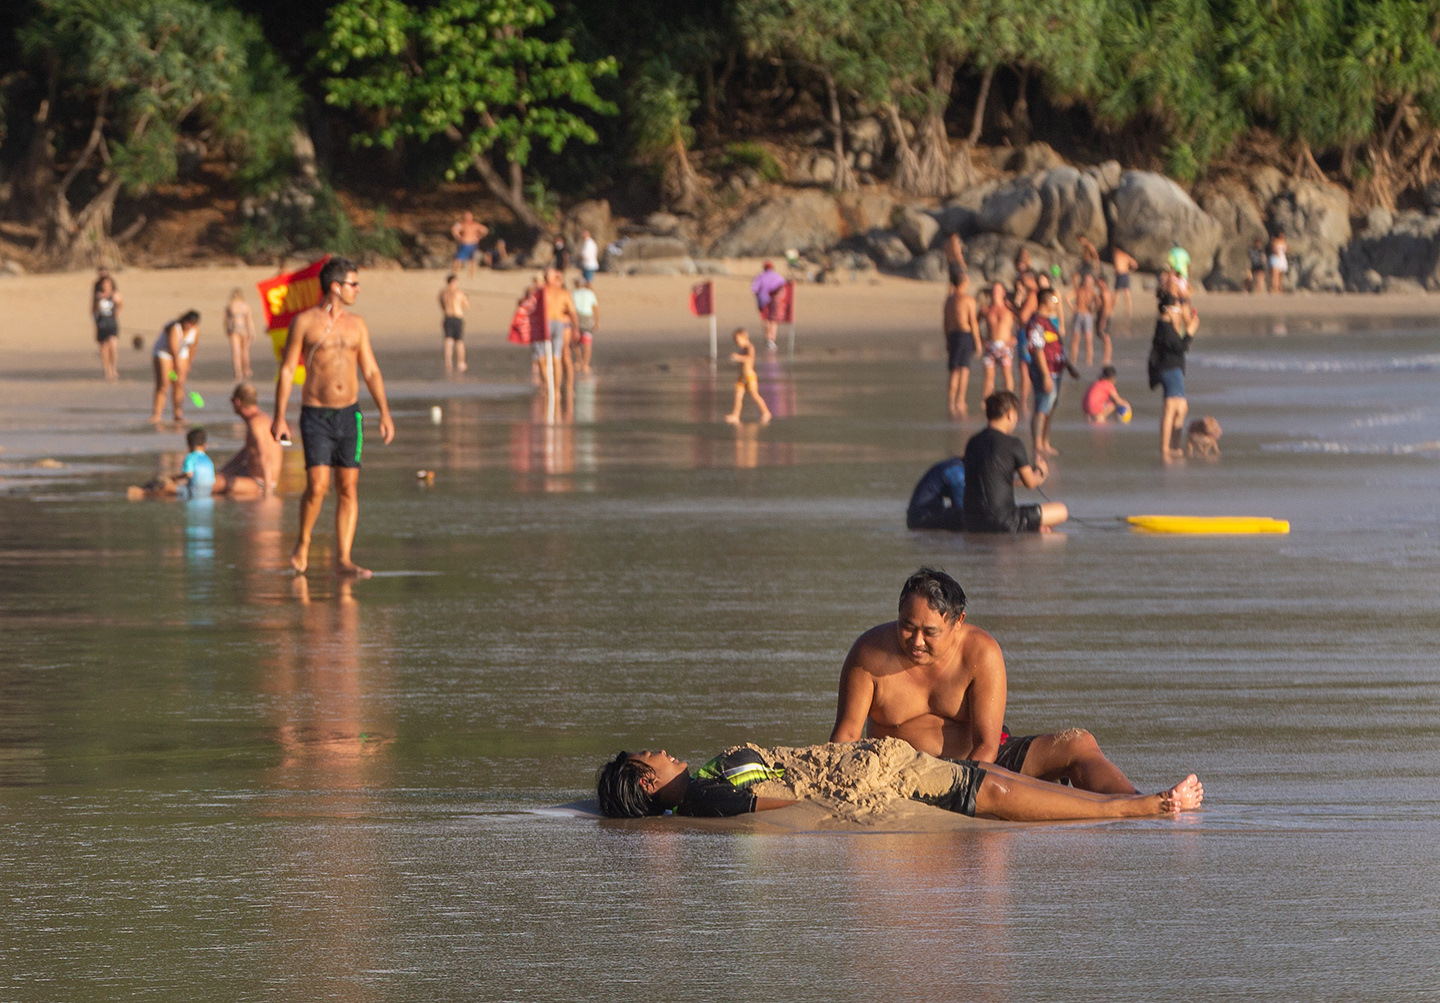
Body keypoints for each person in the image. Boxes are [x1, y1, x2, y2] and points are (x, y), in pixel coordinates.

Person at [830, 568, 1146, 795]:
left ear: (958, 622)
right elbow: (845, 735)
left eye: (930, 632)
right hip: (905, 772)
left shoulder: (981, 652)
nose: (916, 641)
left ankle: (1138, 805)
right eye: (907, 627)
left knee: (1078, 744)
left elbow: (987, 745)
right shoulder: (869, 654)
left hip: (978, 766)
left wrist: (957, 785)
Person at [596, 745, 1202, 821]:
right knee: (989, 793)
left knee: (987, 777)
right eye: (653, 755)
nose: (665, 750)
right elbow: (778, 802)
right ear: (646, 784)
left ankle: (1121, 801)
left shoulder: (701, 779)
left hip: (869, 764)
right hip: (873, 785)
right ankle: (1137, 808)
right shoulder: (702, 794)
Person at [271, 256, 394, 577]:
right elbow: (286, 371)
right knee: (317, 485)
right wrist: (279, 417)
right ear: (336, 287)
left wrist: (384, 412)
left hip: (349, 414)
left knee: (348, 487)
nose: (358, 289)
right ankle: (303, 542)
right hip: (315, 414)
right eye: (354, 284)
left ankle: (343, 559)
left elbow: (370, 370)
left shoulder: (358, 325)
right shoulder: (305, 322)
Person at [960, 391, 1067, 533]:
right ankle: (1033, 530)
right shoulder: (1014, 444)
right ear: (1009, 414)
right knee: (1061, 510)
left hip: (971, 521)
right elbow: (1031, 483)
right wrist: (1041, 472)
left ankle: (1034, 528)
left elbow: (992, 479)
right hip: (1005, 521)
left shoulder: (972, 442)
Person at [1148, 293, 1200, 462]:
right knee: (1172, 406)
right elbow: (1181, 346)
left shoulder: (1168, 327)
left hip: (1174, 369)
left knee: (1181, 408)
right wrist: (1191, 330)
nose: (1179, 312)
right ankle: (1166, 447)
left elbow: (1179, 346)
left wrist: (1187, 328)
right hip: (1168, 369)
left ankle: (1174, 446)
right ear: (1168, 310)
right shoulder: (1164, 326)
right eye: (1176, 309)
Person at [1024, 288, 1074, 459]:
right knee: (1042, 407)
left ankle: (1045, 442)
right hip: (1045, 371)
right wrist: (1045, 375)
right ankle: (1037, 444)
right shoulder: (1037, 323)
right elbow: (1037, 349)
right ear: (1046, 301)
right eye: (1054, 300)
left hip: (1056, 369)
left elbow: (1056, 346)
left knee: (1050, 407)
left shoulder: (1049, 321)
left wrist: (1067, 365)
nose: (1057, 303)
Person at [213, 382, 282, 499]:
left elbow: (264, 455)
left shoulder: (255, 424)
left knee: (208, 484)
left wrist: (268, 491)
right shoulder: (264, 419)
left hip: (260, 483)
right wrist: (221, 471)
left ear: (237, 402)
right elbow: (244, 455)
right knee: (213, 477)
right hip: (255, 476)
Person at [128, 426, 216, 500]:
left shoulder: (191, 457)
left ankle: (143, 493)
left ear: (188, 445)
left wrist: (174, 478)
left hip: (192, 491)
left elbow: (188, 474)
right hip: (208, 492)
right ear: (205, 445)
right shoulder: (208, 459)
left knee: (166, 487)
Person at [150, 310, 201, 424]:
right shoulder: (175, 327)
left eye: (191, 323)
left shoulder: (195, 330)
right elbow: (173, 349)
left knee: (179, 385)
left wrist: (188, 363)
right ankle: (157, 415)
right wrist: (176, 367)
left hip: (182, 354)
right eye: (187, 322)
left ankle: (178, 414)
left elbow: (193, 347)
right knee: (164, 384)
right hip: (164, 353)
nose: (188, 325)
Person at [943, 273, 982, 417]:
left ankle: (951, 401)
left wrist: (947, 339)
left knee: (954, 369)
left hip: (953, 335)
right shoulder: (968, 299)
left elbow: (946, 322)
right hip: (964, 335)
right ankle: (960, 400)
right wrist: (977, 342)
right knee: (964, 369)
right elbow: (973, 322)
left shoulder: (949, 300)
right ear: (964, 283)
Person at [539, 267, 579, 392]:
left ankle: (564, 387)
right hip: (545, 325)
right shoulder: (541, 291)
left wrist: (575, 329)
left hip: (561, 325)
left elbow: (572, 313)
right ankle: (548, 386)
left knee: (563, 356)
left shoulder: (564, 293)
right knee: (543, 358)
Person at [724, 328, 772, 424]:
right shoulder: (742, 349)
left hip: (750, 377)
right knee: (738, 396)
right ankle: (735, 415)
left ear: (745, 338)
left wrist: (738, 357)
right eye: (735, 341)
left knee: (754, 395)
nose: (737, 343)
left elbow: (749, 358)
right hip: (741, 377)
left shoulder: (750, 347)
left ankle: (766, 412)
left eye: (738, 341)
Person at [905, 457, 965, 531]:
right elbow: (962, 507)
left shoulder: (952, 465)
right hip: (923, 518)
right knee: (968, 516)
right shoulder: (957, 471)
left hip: (916, 517)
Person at [979, 282, 1016, 399]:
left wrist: (1014, 339)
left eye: (998, 290)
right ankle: (987, 403)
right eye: (994, 290)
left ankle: (1009, 401)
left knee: (1007, 375)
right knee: (989, 377)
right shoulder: (986, 309)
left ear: (1003, 293)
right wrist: (981, 339)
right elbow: (974, 324)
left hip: (1005, 346)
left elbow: (1022, 323)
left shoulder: (1009, 309)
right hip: (990, 345)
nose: (995, 293)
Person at [1066, 271, 1100, 367]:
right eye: (1086, 281)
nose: (1088, 283)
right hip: (1078, 314)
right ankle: (1073, 360)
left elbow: (1099, 302)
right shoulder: (1079, 290)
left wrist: (1093, 310)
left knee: (1089, 339)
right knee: (1075, 338)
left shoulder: (1093, 293)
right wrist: (1073, 308)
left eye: (1090, 281)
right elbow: (1067, 297)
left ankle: (1089, 361)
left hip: (1088, 316)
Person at [751, 261, 787, 350]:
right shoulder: (778, 277)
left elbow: (754, 289)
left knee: (765, 320)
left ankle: (768, 339)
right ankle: (772, 340)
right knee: (773, 320)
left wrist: (759, 295)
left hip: (763, 301)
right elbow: (784, 288)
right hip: (775, 301)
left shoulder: (760, 277)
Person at [93, 275, 122, 381]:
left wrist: (117, 310)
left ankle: (114, 368)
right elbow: (95, 309)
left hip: (112, 322)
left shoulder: (115, 294)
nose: (106, 286)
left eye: (108, 284)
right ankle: (107, 370)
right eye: (104, 284)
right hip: (102, 322)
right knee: (104, 348)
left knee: (113, 345)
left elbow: (120, 306)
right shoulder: (98, 295)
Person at [439, 274, 469, 374]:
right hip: (457, 317)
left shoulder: (443, 293)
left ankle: (448, 362)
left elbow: (442, 305)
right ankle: (461, 362)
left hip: (447, 317)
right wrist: (466, 297)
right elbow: (467, 305)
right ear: (453, 282)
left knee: (449, 340)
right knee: (459, 341)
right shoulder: (459, 293)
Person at [225, 288, 256, 381]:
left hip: (234, 328)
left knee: (236, 352)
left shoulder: (230, 306)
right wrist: (252, 332)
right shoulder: (245, 306)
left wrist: (227, 330)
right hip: (244, 329)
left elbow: (226, 321)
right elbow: (249, 320)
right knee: (245, 351)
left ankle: (238, 372)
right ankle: (246, 369)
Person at [571, 277, 599, 375]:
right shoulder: (590, 293)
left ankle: (579, 361)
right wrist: (596, 322)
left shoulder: (573, 293)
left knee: (576, 341)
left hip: (577, 317)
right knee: (587, 342)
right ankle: (586, 364)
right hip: (587, 318)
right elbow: (595, 308)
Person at [450, 211, 489, 277]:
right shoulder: (462, 224)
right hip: (465, 244)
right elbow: (454, 229)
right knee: (460, 259)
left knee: (472, 260)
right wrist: (459, 237)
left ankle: (471, 274)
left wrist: (479, 237)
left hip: (473, 244)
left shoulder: (475, 225)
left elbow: (485, 230)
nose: (468, 218)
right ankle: (455, 273)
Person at [1112, 245, 1137, 331]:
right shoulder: (1125, 255)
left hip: (1121, 275)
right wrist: (1129, 270)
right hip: (1125, 274)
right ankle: (1129, 311)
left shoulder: (1118, 255)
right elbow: (1134, 264)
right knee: (1126, 293)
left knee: (1117, 293)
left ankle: (1112, 311)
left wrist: (1127, 270)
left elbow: (1134, 264)